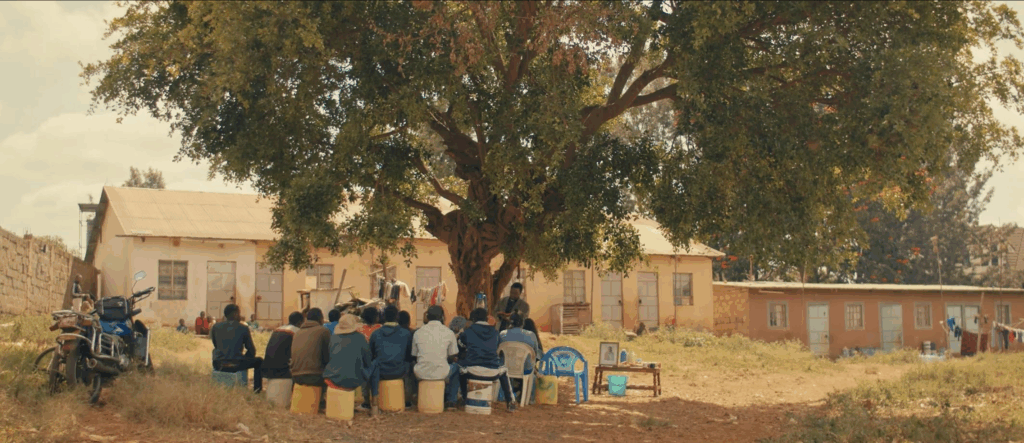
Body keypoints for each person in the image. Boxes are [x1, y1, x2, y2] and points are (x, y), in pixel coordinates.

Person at [459, 308, 516, 412]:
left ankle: (464, 397)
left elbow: (461, 345)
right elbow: (496, 346)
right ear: (486, 319)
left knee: (460, 369)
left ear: (473, 319)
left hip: (472, 372)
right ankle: (510, 402)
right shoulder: (495, 332)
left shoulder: (468, 331)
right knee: (504, 370)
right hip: (492, 372)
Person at [324, 313, 374, 415]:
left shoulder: (333, 338)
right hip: (353, 380)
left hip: (332, 378)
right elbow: (368, 359)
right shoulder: (360, 338)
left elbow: (329, 357)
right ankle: (368, 401)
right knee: (372, 367)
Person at [412, 306, 460, 409]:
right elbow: (453, 355)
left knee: (412, 365)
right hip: (442, 373)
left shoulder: (418, 333)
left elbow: (414, 355)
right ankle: (451, 401)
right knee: (456, 367)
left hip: (421, 373)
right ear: (442, 317)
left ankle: (416, 395)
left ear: (427, 317)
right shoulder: (449, 333)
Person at [210, 304, 263, 392]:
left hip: (218, 364)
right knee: (259, 361)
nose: (240, 316)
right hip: (236, 364)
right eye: (239, 313)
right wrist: (244, 358)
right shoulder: (243, 328)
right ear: (235, 314)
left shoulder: (215, 327)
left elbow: (216, 345)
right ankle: (257, 390)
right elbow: (252, 350)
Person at [369, 305, 414, 407]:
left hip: (380, 372)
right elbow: (409, 356)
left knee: (372, 364)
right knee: (411, 364)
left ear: (383, 317)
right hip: (400, 371)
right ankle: (408, 400)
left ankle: (370, 400)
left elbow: (371, 356)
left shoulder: (375, 334)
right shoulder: (406, 334)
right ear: (397, 317)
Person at [290, 308, 331, 388]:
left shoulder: (297, 333)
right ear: (320, 319)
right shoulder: (323, 331)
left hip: (295, 377)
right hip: (315, 376)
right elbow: (328, 355)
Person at [263, 311, 303, 380]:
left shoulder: (277, 329)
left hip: (267, 369)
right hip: (282, 372)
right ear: (300, 323)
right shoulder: (297, 331)